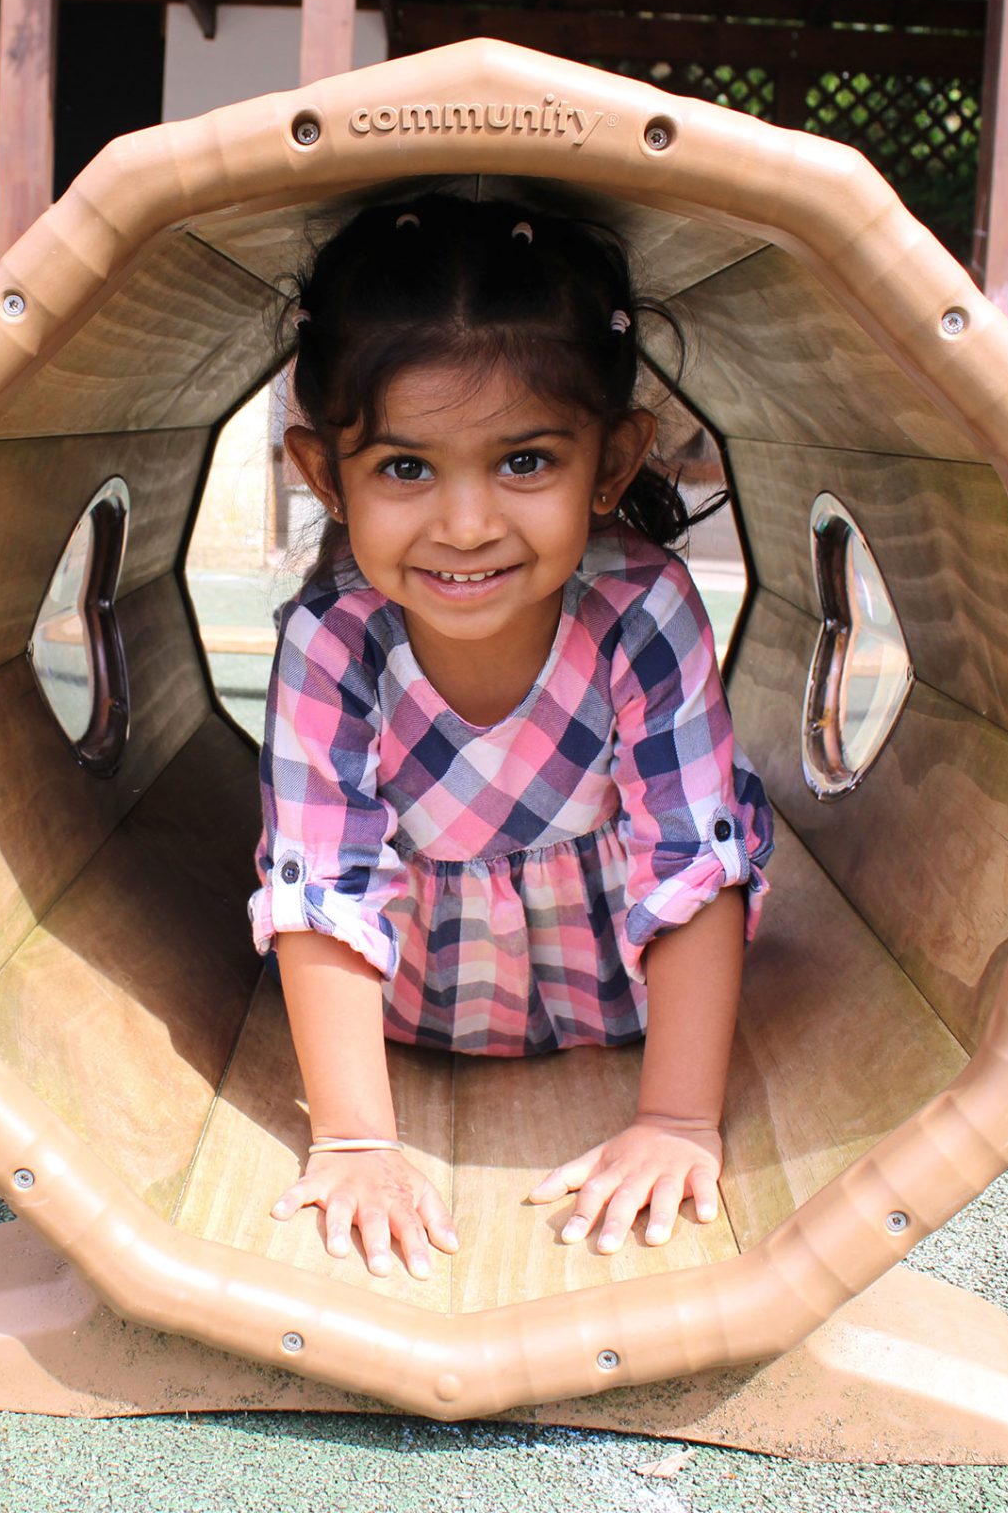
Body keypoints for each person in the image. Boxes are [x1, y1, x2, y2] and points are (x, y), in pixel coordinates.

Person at [250, 193, 773, 1282]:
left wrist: (679, 1120)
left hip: (619, 990)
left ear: (614, 462)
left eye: (524, 462)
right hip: (407, 1002)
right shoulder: (335, 637)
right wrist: (354, 1141)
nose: (468, 522)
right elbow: (323, 880)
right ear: (323, 475)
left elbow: (694, 853)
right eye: (405, 468)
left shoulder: (639, 608)